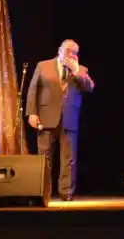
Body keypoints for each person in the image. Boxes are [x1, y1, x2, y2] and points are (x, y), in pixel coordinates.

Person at [26, 38, 95, 201]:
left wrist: (76, 69)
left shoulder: (81, 70)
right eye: (67, 51)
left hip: (69, 119)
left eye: (74, 52)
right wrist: (32, 113)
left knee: (69, 158)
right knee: (44, 157)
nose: (70, 54)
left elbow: (90, 87)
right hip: (46, 117)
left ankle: (67, 192)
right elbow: (33, 90)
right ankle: (43, 193)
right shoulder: (43, 66)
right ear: (59, 50)